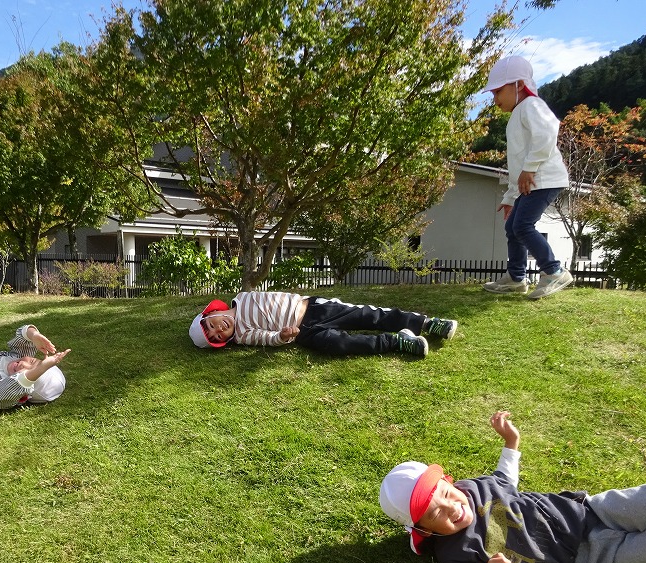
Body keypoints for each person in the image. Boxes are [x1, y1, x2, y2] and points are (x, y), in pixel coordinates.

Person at [379, 411, 646, 563]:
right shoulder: (454, 555)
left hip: (591, 512)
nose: (451, 507)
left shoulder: (472, 488)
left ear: (450, 482)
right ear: (423, 530)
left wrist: (511, 443)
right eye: (435, 513)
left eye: (446, 493)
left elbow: (503, 480)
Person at [480, 55, 573, 300]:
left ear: (519, 85)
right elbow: (517, 165)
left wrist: (530, 168)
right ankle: (516, 278)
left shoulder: (532, 105)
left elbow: (547, 133)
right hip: (531, 181)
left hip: (545, 179)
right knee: (512, 227)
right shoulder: (517, 114)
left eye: (498, 91)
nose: (495, 99)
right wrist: (510, 198)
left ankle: (554, 272)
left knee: (522, 226)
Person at [188, 291, 457, 358]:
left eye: (211, 325)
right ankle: (397, 341)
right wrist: (282, 336)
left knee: (367, 315)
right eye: (215, 337)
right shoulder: (242, 335)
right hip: (304, 333)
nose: (218, 330)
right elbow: (265, 338)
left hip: (313, 307)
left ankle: (426, 323)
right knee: (340, 344)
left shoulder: (243, 296)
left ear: (213, 312)